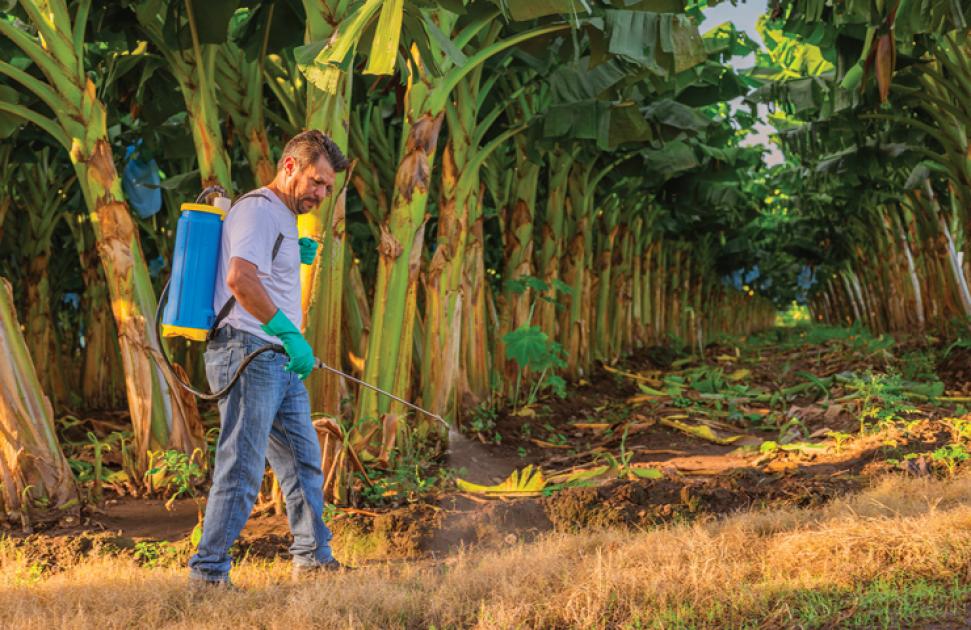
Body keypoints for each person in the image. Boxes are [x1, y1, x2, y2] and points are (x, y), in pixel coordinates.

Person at [188, 130, 350, 589]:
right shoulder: (260, 210)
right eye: (316, 182)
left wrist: (288, 256)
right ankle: (208, 576)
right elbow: (240, 280)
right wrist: (288, 334)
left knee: (301, 461)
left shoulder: (279, 216)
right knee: (241, 468)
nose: (321, 194)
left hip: (275, 356)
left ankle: (314, 558)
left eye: (327, 188)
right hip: (249, 350)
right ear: (289, 165)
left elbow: (257, 268)